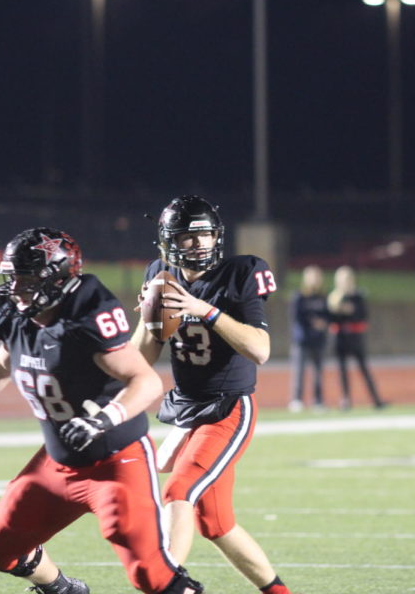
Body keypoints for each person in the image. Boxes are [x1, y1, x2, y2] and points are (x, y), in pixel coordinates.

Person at [0, 227, 204, 594]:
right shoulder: (17, 314)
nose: (15, 287)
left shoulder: (86, 314)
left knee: (152, 577)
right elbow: (3, 363)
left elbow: (145, 381)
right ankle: (62, 589)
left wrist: (103, 419)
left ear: (56, 278)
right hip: (57, 463)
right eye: (13, 276)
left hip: (115, 462)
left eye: (25, 277)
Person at [131, 195, 296, 594]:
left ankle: (169, 584)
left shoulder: (241, 272)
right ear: (169, 242)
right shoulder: (161, 274)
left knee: (178, 491)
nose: (199, 245)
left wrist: (204, 309)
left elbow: (260, 350)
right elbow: (144, 355)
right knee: (216, 524)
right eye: (188, 238)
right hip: (188, 410)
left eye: (205, 235)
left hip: (227, 409)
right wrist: (147, 317)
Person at [327, 265, 385, 410]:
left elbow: (363, 315)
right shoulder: (335, 297)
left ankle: (376, 399)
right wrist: (339, 311)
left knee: (364, 368)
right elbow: (331, 318)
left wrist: (351, 311)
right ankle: (345, 400)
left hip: (356, 336)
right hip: (340, 337)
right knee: (342, 371)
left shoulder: (358, 296)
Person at [288, 264, 329, 412]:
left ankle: (318, 401)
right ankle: (296, 400)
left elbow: (328, 315)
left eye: (317, 277)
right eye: (312, 277)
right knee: (299, 371)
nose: (315, 280)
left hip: (318, 340)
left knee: (318, 372)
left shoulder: (323, 297)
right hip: (302, 340)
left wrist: (323, 323)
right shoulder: (299, 296)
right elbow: (297, 317)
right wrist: (313, 322)